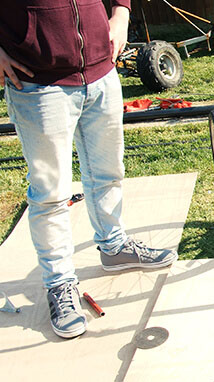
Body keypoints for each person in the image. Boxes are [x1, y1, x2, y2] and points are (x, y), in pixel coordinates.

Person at [1, 1, 177, 339]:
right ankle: (60, 284)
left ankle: (114, 247)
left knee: (108, 173)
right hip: (38, 83)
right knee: (51, 193)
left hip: (101, 71)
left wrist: (121, 15)